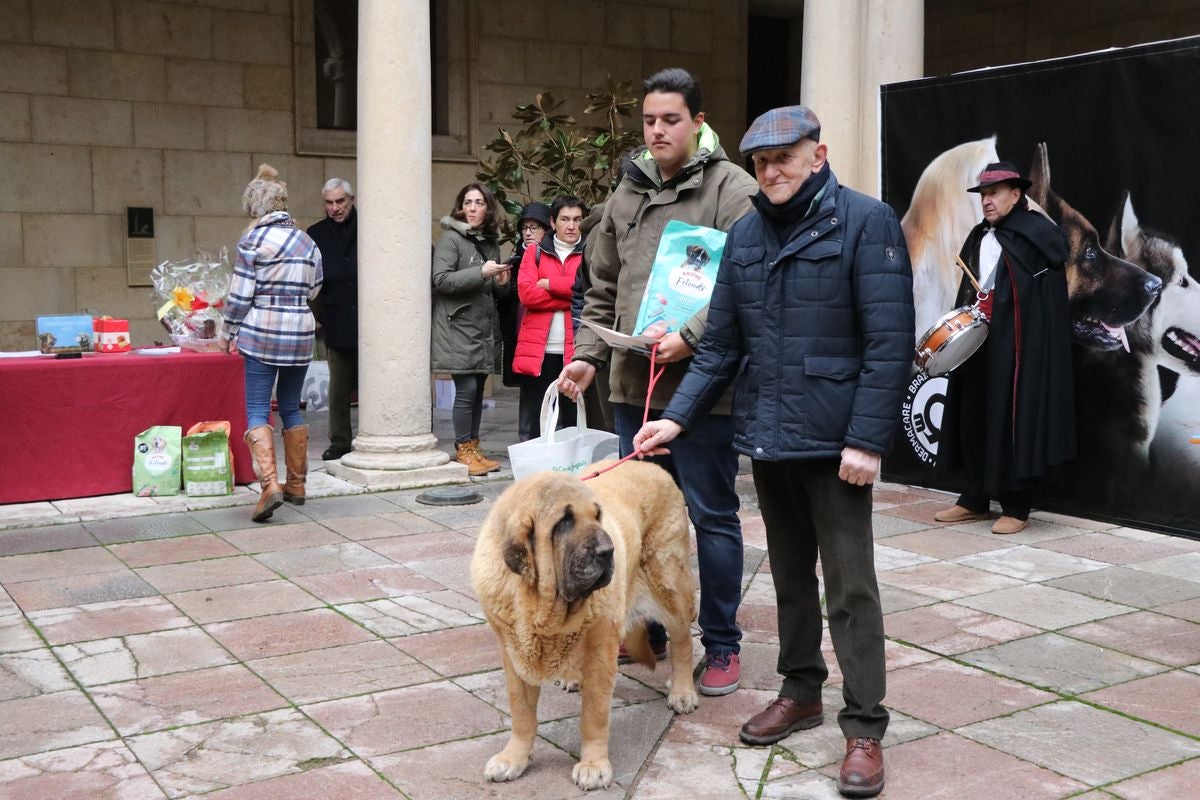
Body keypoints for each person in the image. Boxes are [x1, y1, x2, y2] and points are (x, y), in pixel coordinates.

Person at [633, 106, 915, 798]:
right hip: (770, 435)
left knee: (849, 587)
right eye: (760, 163)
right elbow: (721, 344)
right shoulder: (749, 234)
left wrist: (866, 440)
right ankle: (801, 690)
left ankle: (864, 726)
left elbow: (888, 343)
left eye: (784, 159)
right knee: (789, 577)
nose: (771, 172)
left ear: (818, 156)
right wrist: (677, 419)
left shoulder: (866, 222)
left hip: (837, 444)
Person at [558, 67, 757, 696]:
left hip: (702, 392)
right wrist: (588, 354)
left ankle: (721, 643)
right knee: (635, 521)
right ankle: (652, 633)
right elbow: (600, 289)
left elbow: (744, 284)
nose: (658, 130)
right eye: (649, 120)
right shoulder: (625, 193)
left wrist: (692, 337)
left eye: (671, 119)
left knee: (711, 516)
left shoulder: (732, 191)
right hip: (628, 385)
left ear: (697, 121)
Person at [934, 162, 1073, 534]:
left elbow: (1042, 294)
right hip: (978, 342)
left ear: (1016, 194)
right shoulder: (980, 235)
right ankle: (974, 498)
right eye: (983, 194)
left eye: (994, 193)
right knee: (973, 414)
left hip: (1017, 345)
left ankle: (1016, 506)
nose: (987, 201)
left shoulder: (1037, 234)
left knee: (1012, 418)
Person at [220, 164, 323, 523]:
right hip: (299, 333)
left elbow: (240, 295)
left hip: (262, 331)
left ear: (255, 209)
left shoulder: (252, 242)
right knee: (292, 407)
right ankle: (297, 484)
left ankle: (270, 485)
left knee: (257, 409)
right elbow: (315, 289)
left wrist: (227, 331)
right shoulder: (308, 241)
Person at [431, 181, 512, 476]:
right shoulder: (451, 239)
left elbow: (496, 294)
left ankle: (473, 448)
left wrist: (502, 283)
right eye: (468, 202)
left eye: (479, 202)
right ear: (460, 207)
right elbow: (441, 279)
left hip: (482, 330)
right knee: (465, 391)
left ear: (488, 207)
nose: (473, 208)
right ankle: (463, 449)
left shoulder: (490, 241)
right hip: (457, 329)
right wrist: (481, 272)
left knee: (478, 391)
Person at [513, 196, 585, 441]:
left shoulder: (589, 252)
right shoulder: (535, 251)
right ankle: (538, 475)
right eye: (565, 219)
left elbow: (588, 293)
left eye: (577, 219)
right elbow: (527, 294)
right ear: (553, 222)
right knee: (540, 419)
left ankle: (572, 474)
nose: (571, 226)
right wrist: (570, 296)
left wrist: (551, 284)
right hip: (539, 352)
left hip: (575, 350)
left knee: (573, 420)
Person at [306, 178, 358, 462]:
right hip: (336, 318)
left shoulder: (370, 225)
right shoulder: (315, 233)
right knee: (338, 388)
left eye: (340, 201)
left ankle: (376, 438)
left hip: (370, 321)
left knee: (375, 387)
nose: (335, 208)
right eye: (329, 202)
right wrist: (318, 315)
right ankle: (340, 442)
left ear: (352, 200)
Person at [499, 202, 552, 388]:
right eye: (524, 228)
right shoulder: (514, 262)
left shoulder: (556, 258)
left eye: (534, 227)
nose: (528, 232)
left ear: (547, 228)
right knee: (529, 401)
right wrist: (503, 286)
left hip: (551, 338)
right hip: (522, 339)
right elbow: (507, 305)